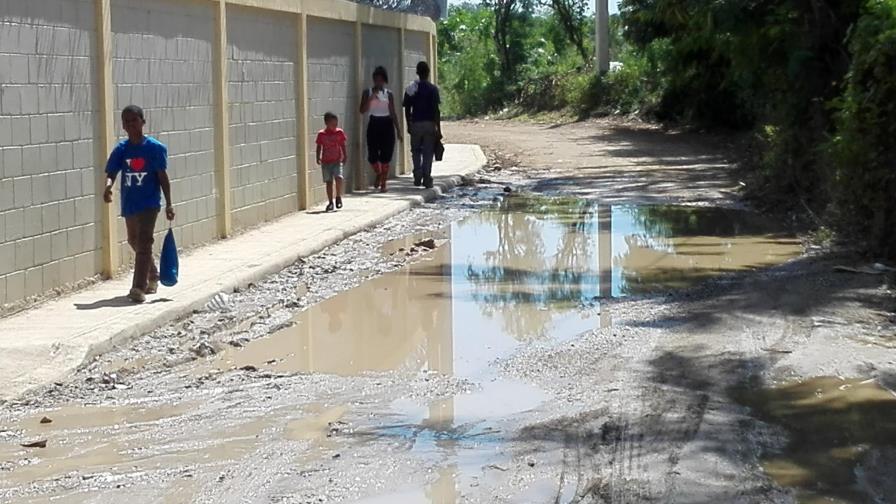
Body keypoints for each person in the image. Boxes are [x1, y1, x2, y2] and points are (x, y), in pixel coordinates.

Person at [103, 105, 175, 304]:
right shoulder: (122, 150)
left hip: (149, 203)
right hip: (130, 203)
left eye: (134, 120)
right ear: (123, 126)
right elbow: (111, 173)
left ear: (143, 122)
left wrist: (169, 203)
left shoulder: (154, 148)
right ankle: (153, 274)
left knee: (144, 242)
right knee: (133, 241)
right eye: (127, 121)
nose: (131, 125)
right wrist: (108, 187)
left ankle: (138, 287)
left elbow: (162, 177)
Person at [360, 66, 402, 193]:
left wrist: (398, 129)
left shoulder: (388, 94)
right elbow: (362, 110)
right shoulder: (367, 92)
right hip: (374, 123)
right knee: (372, 155)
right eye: (376, 79)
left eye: (381, 80)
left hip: (387, 124)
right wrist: (371, 98)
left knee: (386, 155)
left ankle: (384, 182)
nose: (378, 82)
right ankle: (378, 172)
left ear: (384, 81)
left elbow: (393, 112)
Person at [403, 61, 442, 189]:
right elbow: (436, 111)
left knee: (415, 151)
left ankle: (417, 174)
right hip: (429, 124)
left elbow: (407, 108)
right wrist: (438, 129)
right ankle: (426, 177)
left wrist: (408, 124)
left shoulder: (411, 89)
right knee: (428, 152)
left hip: (416, 124)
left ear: (417, 73)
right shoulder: (433, 89)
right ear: (428, 73)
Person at [316, 112, 348, 212]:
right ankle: (330, 202)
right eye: (332, 124)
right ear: (326, 123)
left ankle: (338, 196)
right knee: (328, 182)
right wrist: (318, 157)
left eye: (336, 124)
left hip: (337, 160)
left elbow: (342, 144)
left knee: (339, 178)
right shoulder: (322, 134)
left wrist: (345, 155)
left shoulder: (339, 133)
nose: (335, 126)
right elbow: (319, 146)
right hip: (326, 162)